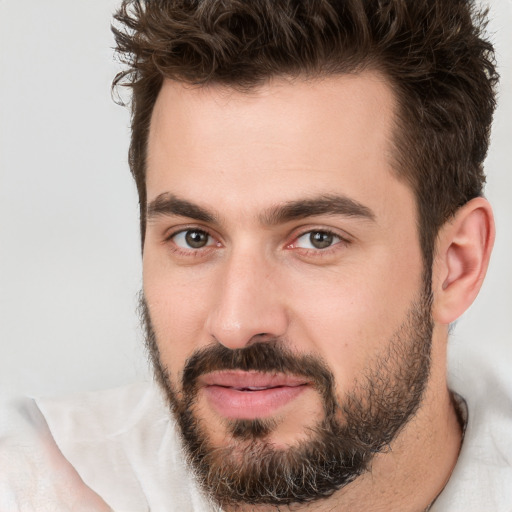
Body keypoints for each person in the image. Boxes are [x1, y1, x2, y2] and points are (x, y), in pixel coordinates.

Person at [1, 1, 511, 511]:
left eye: (317, 239)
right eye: (194, 238)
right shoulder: (27, 483)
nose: (236, 324)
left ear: (455, 265)